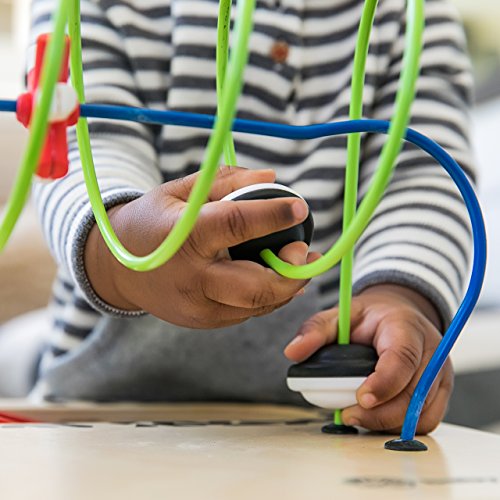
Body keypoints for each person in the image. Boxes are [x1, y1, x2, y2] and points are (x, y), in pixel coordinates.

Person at [25, 0, 474, 433]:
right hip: (96, 414)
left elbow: (424, 175)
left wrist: (401, 297)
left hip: (324, 418)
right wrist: (123, 251)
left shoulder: (414, 13)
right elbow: (76, 146)